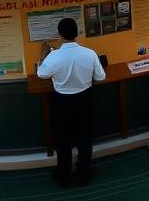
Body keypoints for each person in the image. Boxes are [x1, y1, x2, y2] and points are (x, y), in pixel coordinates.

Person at [37, 17, 106, 187]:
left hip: (62, 103)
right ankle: (84, 175)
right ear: (77, 33)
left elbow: (41, 74)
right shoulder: (89, 53)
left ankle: (64, 176)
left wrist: (42, 56)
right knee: (85, 138)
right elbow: (100, 77)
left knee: (63, 141)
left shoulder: (54, 57)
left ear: (60, 34)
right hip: (84, 100)